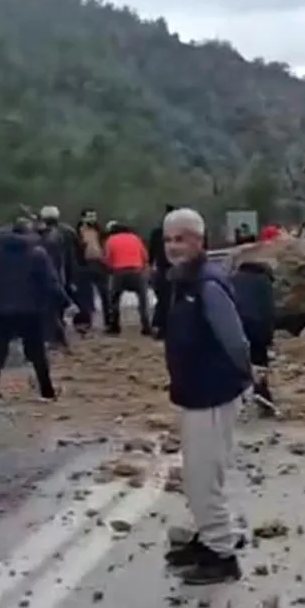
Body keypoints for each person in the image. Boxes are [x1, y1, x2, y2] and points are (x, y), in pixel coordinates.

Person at [160, 208, 250, 585]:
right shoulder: (185, 281)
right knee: (200, 473)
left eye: (181, 239)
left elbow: (235, 340)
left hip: (211, 394)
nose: (173, 247)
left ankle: (221, 554)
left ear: (199, 240)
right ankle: (209, 537)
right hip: (196, 393)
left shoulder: (206, 285)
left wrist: (246, 377)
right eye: (168, 240)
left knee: (201, 477)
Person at [0, 218, 64, 402]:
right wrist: (65, 302)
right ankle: (47, 391)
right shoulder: (38, 254)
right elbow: (51, 283)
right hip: (31, 310)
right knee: (37, 352)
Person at [231, 261, 276, 417]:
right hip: (257, 325)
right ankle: (262, 396)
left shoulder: (233, 279)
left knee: (236, 363)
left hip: (235, 325)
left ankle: (239, 399)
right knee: (259, 362)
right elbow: (267, 310)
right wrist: (268, 338)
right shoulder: (263, 282)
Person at [35, 206, 78, 348]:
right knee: (56, 305)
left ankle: (54, 338)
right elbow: (72, 255)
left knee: (49, 308)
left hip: (48, 273)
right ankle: (58, 337)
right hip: (62, 272)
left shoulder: (42, 235)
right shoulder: (67, 231)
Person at [104, 222, 152, 336]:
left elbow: (107, 258)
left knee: (114, 300)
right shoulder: (135, 238)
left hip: (119, 272)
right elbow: (145, 256)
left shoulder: (110, 240)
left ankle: (114, 325)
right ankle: (146, 327)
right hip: (137, 271)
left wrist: (111, 268)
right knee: (143, 301)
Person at [73, 208, 108, 334]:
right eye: (89, 216)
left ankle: (108, 321)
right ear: (83, 218)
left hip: (99, 263)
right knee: (86, 295)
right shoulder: (77, 231)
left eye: (94, 216)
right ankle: (86, 322)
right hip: (84, 264)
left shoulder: (99, 229)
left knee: (105, 293)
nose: (92, 218)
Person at [148, 205, 176, 338]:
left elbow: (151, 252)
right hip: (172, 268)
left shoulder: (157, 233)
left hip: (162, 268)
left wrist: (150, 265)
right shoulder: (182, 233)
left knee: (163, 297)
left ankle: (160, 325)